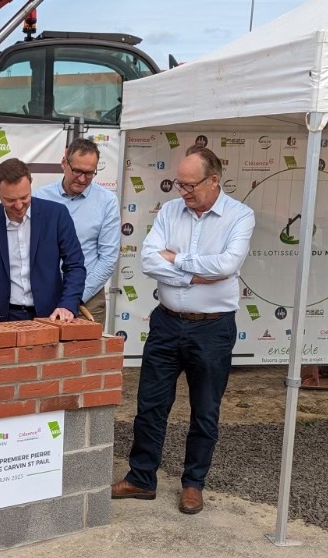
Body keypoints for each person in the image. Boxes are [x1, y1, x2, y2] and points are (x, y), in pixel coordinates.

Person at [112, 145, 255, 514]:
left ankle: (194, 483)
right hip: (166, 323)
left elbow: (226, 265)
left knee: (205, 411)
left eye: (191, 185)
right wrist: (196, 273)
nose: (184, 192)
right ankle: (142, 478)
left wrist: (175, 261)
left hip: (213, 330)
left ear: (213, 181)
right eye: (180, 184)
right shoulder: (170, 211)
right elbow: (147, 259)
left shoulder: (240, 216)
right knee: (150, 405)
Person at [0, 157, 85, 322]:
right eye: (10, 200)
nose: (18, 205)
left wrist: (67, 305)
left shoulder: (56, 215)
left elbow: (75, 266)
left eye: (24, 197)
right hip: (5, 317)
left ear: (31, 183)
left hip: (51, 315)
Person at [34, 137, 120, 325]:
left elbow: (108, 258)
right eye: (77, 171)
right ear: (64, 163)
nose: (82, 179)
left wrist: (75, 298)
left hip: (87, 299)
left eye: (89, 173)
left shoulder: (106, 201)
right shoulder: (39, 198)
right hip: (43, 295)